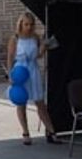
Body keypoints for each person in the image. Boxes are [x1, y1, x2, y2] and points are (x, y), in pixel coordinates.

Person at [5, 11, 58, 145]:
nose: (28, 27)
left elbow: (38, 56)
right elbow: (10, 57)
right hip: (20, 71)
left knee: (40, 102)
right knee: (21, 102)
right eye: (26, 24)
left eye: (31, 24)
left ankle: (51, 132)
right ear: (21, 24)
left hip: (33, 69)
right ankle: (26, 133)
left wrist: (44, 47)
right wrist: (10, 75)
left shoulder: (35, 37)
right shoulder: (15, 38)